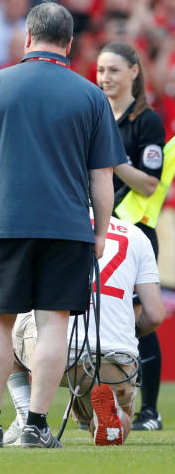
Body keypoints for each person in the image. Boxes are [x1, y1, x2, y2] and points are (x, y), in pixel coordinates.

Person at [0, 2, 127, 449]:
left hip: (6, 224)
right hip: (67, 227)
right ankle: (36, 426)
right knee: (53, 323)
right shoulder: (90, 95)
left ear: (27, 38)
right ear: (69, 43)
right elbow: (101, 177)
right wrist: (101, 232)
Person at [7, 214, 165, 446]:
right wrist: (130, 335)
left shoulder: (45, 221)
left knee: (1, 328)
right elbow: (155, 314)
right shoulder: (136, 235)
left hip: (54, 355)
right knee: (119, 409)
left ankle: (25, 419)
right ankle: (116, 418)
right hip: (115, 359)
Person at [96, 42, 168, 432]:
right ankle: (97, 402)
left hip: (135, 233)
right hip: (95, 230)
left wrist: (111, 157)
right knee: (92, 313)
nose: (105, 78)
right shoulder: (90, 113)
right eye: (101, 71)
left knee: (143, 316)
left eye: (113, 70)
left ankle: (149, 411)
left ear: (134, 72)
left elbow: (148, 183)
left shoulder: (147, 121)